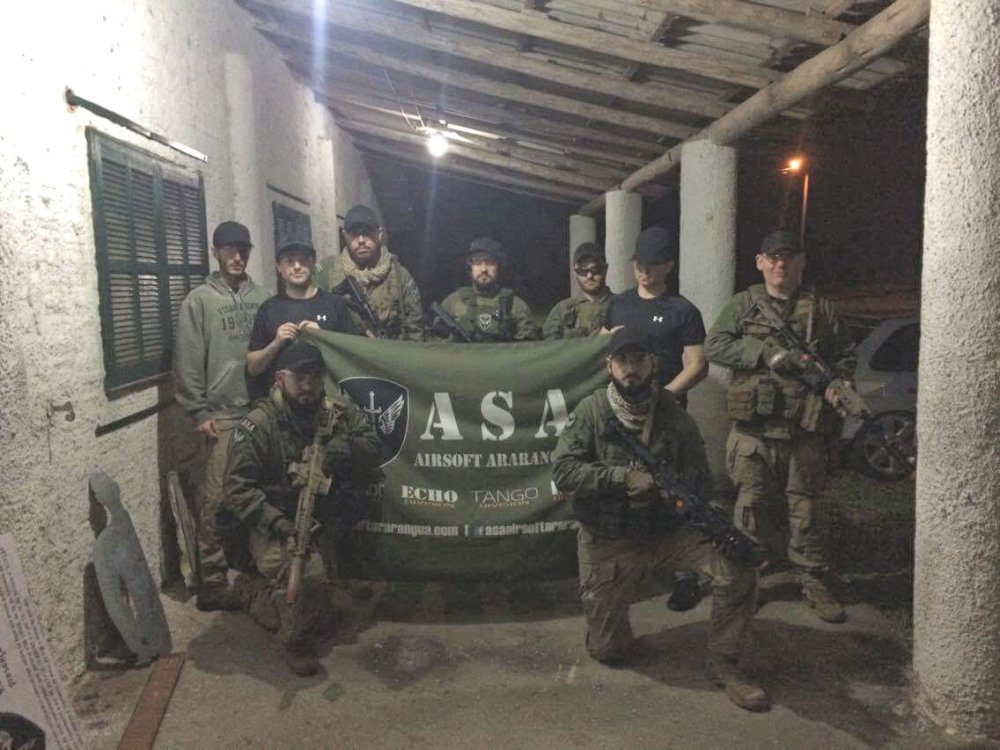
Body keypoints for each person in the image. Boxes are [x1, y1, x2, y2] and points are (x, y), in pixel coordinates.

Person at [551, 329, 769, 711]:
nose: (630, 369)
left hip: (668, 534)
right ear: (609, 366)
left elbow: (701, 481)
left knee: (738, 569)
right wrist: (622, 478)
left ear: (653, 364)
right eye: (622, 361)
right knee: (609, 651)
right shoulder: (592, 411)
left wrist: (678, 499)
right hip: (610, 540)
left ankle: (724, 662)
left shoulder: (675, 417)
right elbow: (564, 471)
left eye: (638, 359)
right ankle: (607, 629)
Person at [704, 230, 855, 624]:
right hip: (754, 434)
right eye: (772, 257)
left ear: (801, 262)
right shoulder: (744, 305)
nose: (780, 264)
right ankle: (747, 584)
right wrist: (763, 353)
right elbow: (714, 345)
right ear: (760, 263)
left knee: (807, 511)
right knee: (750, 510)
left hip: (805, 431)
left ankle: (813, 582)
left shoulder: (821, 308)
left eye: (788, 257)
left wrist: (840, 383)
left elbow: (844, 354)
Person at [223, 342, 382, 676]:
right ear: (280, 378)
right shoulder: (259, 425)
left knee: (327, 602)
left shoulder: (335, 410)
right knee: (307, 582)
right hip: (271, 521)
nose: (307, 385)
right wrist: (278, 523)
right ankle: (279, 622)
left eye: (314, 377)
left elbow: (372, 445)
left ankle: (313, 593)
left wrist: (343, 447)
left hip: (322, 517)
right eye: (299, 378)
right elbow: (237, 489)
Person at [605, 226, 708, 612]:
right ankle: (631, 570)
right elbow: (602, 351)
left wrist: (664, 397)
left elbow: (697, 364)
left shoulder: (683, 310)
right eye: (638, 264)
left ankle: (686, 576)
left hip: (666, 416)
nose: (643, 271)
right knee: (628, 491)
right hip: (624, 415)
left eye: (651, 265)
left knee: (679, 493)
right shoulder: (618, 304)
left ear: (669, 265)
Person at [174, 221, 270, 611]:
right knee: (215, 498)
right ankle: (212, 579)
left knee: (257, 492)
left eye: (243, 249)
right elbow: (188, 358)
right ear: (215, 252)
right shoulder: (199, 301)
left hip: (259, 411)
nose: (237, 256)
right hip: (222, 414)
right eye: (229, 249)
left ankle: (252, 565)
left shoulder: (262, 298)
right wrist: (198, 410)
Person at [246, 237, 357, 402]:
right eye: (290, 261)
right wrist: (276, 343)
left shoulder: (335, 305)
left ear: (313, 264)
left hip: (329, 406)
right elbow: (253, 368)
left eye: (303, 260)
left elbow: (354, 361)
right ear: (279, 267)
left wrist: (323, 338)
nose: (297, 266)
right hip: (281, 409)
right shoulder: (268, 309)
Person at [317, 204, 424, 340]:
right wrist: (326, 321)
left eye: (367, 233)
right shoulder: (327, 271)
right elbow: (316, 313)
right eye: (354, 233)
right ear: (345, 235)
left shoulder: (400, 276)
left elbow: (415, 329)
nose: (361, 240)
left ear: (379, 234)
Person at [436, 237, 540, 342]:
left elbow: (529, 346)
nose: (483, 269)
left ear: (499, 267)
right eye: (478, 263)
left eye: (490, 263)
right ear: (470, 267)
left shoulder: (515, 304)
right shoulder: (453, 302)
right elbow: (436, 344)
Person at [542, 242, 613, 339]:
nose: (589, 276)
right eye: (583, 271)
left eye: (595, 270)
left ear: (605, 268)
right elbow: (549, 346)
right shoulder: (561, 311)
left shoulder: (621, 306)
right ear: (575, 272)